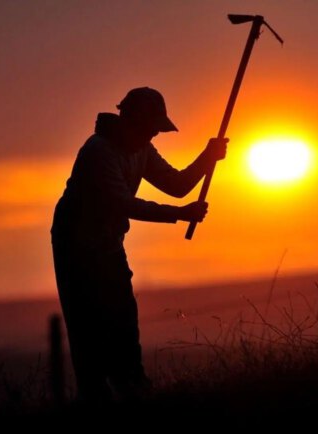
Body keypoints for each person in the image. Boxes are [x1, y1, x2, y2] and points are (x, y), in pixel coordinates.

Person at [50, 87, 227, 403]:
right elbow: (124, 204)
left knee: (123, 316)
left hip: (108, 243)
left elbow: (176, 185)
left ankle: (132, 387)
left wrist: (207, 157)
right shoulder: (98, 152)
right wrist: (180, 214)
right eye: (151, 128)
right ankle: (96, 399)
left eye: (156, 130)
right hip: (74, 246)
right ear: (130, 120)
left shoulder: (141, 148)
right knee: (87, 325)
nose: (153, 136)